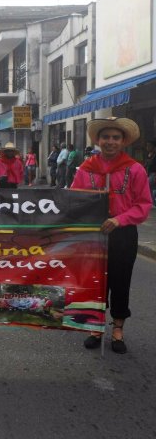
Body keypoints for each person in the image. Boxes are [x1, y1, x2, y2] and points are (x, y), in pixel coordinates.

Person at [71, 117, 152, 354]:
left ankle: (118, 328)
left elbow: (143, 205)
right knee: (95, 281)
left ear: (123, 141)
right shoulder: (86, 169)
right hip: (93, 235)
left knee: (120, 280)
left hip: (123, 234)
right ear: (98, 140)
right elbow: (75, 199)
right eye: (105, 137)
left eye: (115, 138)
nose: (110, 142)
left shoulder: (135, 169)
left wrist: (119, 219)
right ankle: (95, 327)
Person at [145, 138, 156, 206]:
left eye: (149, 146)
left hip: (154, 174)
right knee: (150, 189)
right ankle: (151, 203)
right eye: (147, 146)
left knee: (147, 185)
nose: (147, 147)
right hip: (149, 174)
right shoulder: (150, 155)